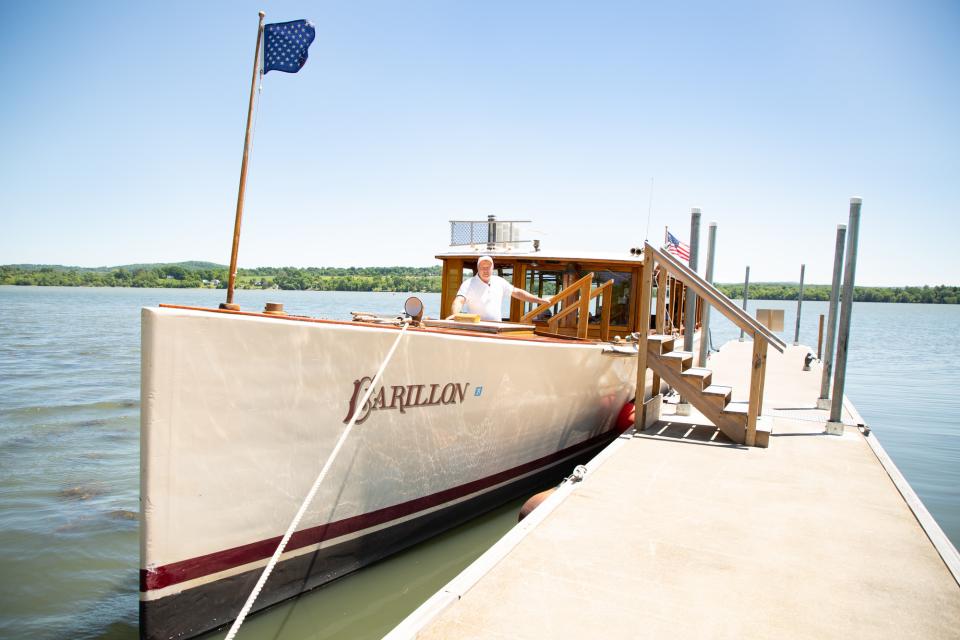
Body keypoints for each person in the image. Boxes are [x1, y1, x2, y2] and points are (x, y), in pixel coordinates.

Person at [447, 255, 552, 321]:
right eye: (482, 267)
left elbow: (517, 292)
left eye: (488, 267)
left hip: (496, 329)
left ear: (492, 268)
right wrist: (455, 314)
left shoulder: (499, 281)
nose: (486, 270)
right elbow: (459, 301)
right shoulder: (468, 284)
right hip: (476, 329)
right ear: (478, 268)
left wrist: (540, 300)